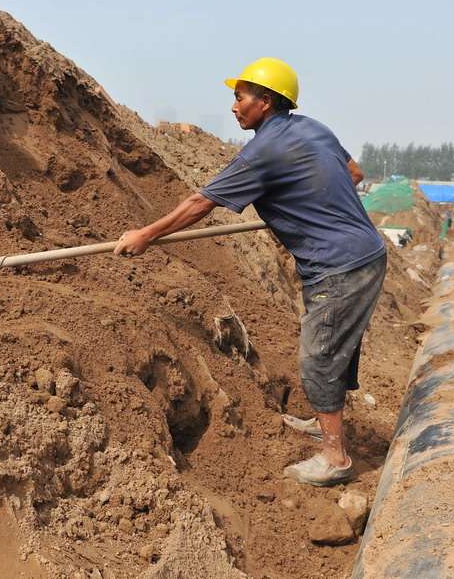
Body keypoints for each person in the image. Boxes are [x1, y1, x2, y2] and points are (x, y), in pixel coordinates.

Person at [114, 58, 386, 487]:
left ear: (267, 101)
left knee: (319, 354)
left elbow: (200, 203)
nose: (234, 107)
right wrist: (312, 202)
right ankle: (324, 421)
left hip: (338, 266)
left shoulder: (262, 152)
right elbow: (354, 173)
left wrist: (147, 234)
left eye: (240, 98)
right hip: (366, 252)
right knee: (333, 343)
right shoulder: (313, 127)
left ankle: (335, 458)